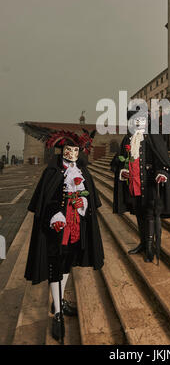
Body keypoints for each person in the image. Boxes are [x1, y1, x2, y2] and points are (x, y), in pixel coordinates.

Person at [22, 126, 104, 343]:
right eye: (69, 150)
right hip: (56, 229)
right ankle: (58, 313)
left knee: (67, 263)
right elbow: (44, 202)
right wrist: (55, 214)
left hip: (76, 226)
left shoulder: (83, 172)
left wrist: (83, 203)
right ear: (62, 150)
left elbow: (91, 200)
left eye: (76, 151)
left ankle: (58, 301)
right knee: (55, 265)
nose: (73, 154)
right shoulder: (51, 172)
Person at [111, 108, 170, 264]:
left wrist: (162, 172)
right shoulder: (127, 139)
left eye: (141, 120)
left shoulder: (153, 137)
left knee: (149, 213)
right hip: (134, 183)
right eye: (135, 120)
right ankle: (143, 243)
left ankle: (150, 248)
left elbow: (162, 158)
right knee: (140, 212)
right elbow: (119, 160)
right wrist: (122, 170)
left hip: (149, 183)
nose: (138, 122)